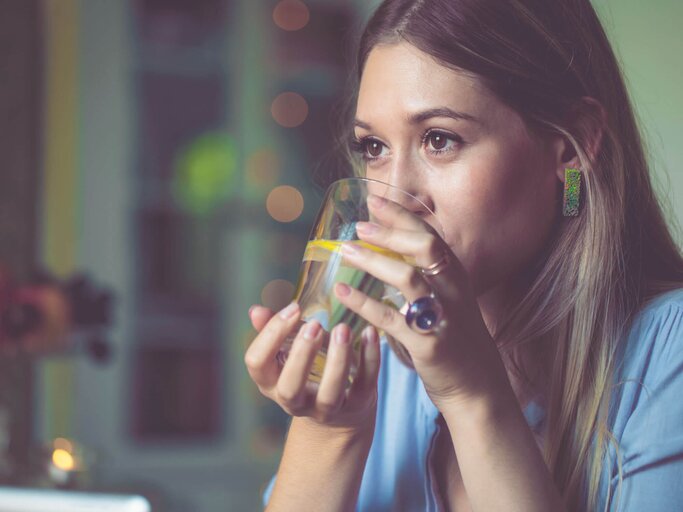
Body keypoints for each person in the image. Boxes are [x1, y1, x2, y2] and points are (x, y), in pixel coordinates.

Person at [244, 0, 683, 510]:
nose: (390, 197)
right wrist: (330, 430)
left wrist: (472, 396)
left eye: (439, 139)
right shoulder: (376, 356)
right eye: (374, 148)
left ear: (574, 146)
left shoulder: (667, 357)